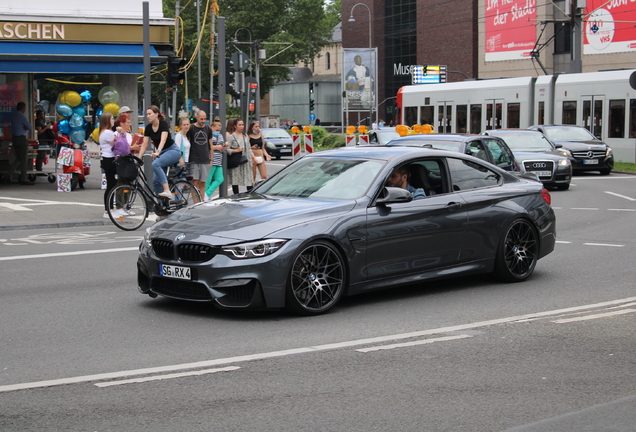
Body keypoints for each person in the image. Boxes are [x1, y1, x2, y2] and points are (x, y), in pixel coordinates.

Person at [138, 105, 181, 201]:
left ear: (156, 114)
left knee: (155, 164)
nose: (148, 116)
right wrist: (139, 158)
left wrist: (158, 151)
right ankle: (162, 208)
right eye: (147, 114)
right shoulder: (148, 128)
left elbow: (163, 139)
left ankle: (167, 190)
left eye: (150, 114)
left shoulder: (163, 124)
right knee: (156, 182)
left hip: (172, 150)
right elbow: (144, 144)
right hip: (162, 153)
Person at [186, 111, 212, 200]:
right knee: (195, 182)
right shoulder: (192, 128)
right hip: (194, 159)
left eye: (205, 119)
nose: (203, 121)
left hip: (205, 159)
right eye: (201, 119)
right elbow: (187, 143)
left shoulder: (208, 129)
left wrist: (211, 159)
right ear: (197, 117)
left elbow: (210, 145)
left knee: (203, 183)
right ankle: (196, 203)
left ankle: (202, 202)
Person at [6, 102, 34, 185]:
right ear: (23, 108)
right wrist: (25, 127)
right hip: (21, 138)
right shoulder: (21, 116)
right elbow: (30, 127)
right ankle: (23, 178)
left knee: (19, 157)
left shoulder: (14, 116)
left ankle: (9, 174)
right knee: (24, 158)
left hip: (15, 137)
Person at [226, 118, 254, 195]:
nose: (241, 127)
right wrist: (236, 150)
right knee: (235, 180)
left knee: (248, 179)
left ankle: (249, 196)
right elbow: (227, 149)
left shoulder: (245, 136)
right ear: (235, 126)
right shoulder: (232, 137)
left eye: (242, 125)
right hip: (236, 161)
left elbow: (248, 148)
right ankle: (236, 196)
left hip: (246, 160)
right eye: (239, 125)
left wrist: (253, 157)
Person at [99, 112, 117, 217]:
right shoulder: (107, 132)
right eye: (111, 119)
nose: (113, 120)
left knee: (112, 184)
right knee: (111, 184)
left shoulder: (105, 132)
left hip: (107, 159)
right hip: (109, 159)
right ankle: (108, 208)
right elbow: (115, 145)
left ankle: (110, 207)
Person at [204, 120, 228, 199]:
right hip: (211, 158)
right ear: (212, 127)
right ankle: (206, 196)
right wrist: (215, 147)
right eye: (216, 130)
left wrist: (224, 146)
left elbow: (222, 149)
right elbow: (206, 146)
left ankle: (207, 194)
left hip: (219, 160)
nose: (218, 131)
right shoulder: (208, 135)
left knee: (220, 178)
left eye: (219, 130)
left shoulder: (220, 136)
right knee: (208, 179)